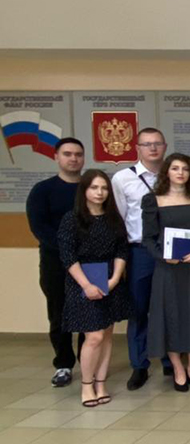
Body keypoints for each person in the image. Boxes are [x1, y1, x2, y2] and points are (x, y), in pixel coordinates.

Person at [141, 153, 190, 392]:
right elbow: (148, 238)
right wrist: (163, 256)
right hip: (168, 269)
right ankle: (177, 368)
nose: (180, 173)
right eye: (175, 168)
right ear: (167, 172)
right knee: (171, 317)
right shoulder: (153, 200)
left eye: (185, 169)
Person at [57, 169, 133, 406]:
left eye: (104, 188)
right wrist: (87, 285)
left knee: (107, 335)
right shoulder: (71, 219)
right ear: (84, 190)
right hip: (82, 281)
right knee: (94, 336)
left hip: (110, 279)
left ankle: (101, 383)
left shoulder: (113, 218)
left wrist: (115, 279)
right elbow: (68, 256)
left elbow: (122, 250)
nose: (100, 192)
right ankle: (87, 386)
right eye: (94, 188)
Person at [112, 126, 170, 390]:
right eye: (147, 144)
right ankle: (139, 365)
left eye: (157, 143)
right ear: (137, 148)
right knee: (138, 309)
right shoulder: (123, 178)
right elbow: (119, 219)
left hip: (170, 251)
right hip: (140, 251)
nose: (153, 148)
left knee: (169, 307)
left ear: (165, 147)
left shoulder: (174, 174)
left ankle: (171, 360)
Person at [26, 137, 85, 387]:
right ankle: (63, 364)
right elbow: (39, 227)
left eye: (78, 154)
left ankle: (88, 362)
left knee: (90, 314)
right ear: (56, 157)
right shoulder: (43, 190)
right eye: (67, 154)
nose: (73, 159)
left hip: (89, 262)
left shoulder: (91, 187)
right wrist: (68, 251)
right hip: (56, 262)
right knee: (59, 314)